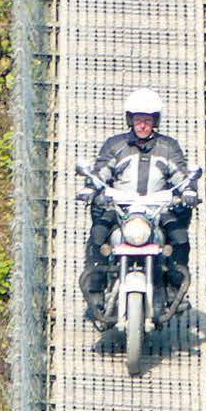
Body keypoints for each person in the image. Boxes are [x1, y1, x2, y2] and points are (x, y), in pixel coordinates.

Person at [78, 88, 194, 322]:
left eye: (148, 120)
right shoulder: (115, 145)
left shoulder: (168, 147)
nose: (143, 125)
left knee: (180, 239)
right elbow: (101, 170)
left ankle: (174, 291)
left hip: (157, 211)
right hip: (120, 209)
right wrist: (91, 188)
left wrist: (189, 191)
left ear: (155, 122)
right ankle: (96, 292)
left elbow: (181, 173)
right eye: (138, 120)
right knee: (98, 236)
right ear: (130, 120)